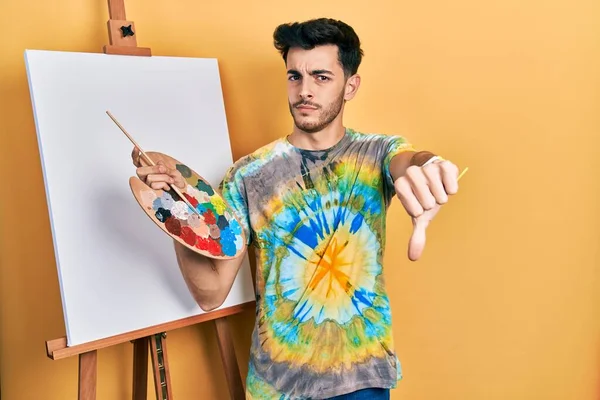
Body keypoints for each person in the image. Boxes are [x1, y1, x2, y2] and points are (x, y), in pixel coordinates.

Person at [132, 17, 460, 400]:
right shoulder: (248, 175)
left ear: (350, 85)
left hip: (361, 381)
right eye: (294, 77)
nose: (304, 91)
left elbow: (408, 161)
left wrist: (429, 165)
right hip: (277, 387)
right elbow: (210, 293)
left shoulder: (374, 154)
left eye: (321, 77)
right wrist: (175, 215)